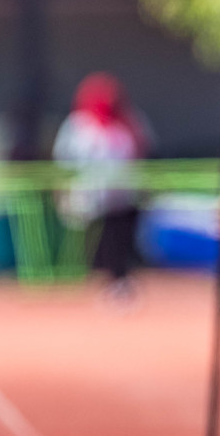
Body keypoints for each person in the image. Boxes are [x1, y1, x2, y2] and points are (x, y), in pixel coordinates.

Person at [53, 73, 150, 296]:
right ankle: (93, 279)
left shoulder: (129, 122)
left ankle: (119, 280)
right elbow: (65, 159)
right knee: (96, 241)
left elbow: (141, 151)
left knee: (120, 239)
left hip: (122, 196)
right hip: (91, 198)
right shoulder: (78, 125)